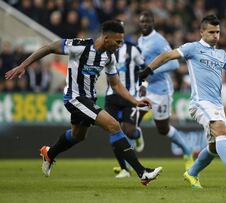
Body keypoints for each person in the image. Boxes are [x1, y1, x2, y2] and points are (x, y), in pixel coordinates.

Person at [5, 20, 162, 186]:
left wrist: (135, 101)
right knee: (114, 125)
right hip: (75, 98)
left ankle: (50, 153)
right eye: (118, 41)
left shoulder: (109, 57)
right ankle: (142, 172)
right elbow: (49, 47)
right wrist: (23, 65)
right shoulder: (81, 46)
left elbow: (116, 84)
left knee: (78, 135)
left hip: (89, 99)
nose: (119, 45)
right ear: (106, 37)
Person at [138, 14, 226, 189]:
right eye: (211, 31)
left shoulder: (222, 54)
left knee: (213, 147)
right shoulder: (193, 48)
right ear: (202, 31)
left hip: (216, 104)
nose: (215, 35)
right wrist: (148, 70)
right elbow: (168, 55)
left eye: (218, 32)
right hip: (200, 102)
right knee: (221, 130)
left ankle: (191, 174)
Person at [137, 11, 194, 170]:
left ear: (153, 23)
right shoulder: (140, 40)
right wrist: (142, 82)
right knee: (134, 118)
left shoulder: (158, 40)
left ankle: (187, 150)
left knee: (163, 128)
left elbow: (174, 64)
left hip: (161, 90)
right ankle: (128, 162)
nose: (145, 24)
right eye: (142, 21)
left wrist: (152, 71)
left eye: (148, 21)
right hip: (146, 89)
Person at [105, 36, 148, 179]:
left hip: (129, 96)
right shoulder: (105, 51)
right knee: (113, 130)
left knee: (128, 131)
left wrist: (143, 85)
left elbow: (144, 69)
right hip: (111, 96)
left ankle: (137, 134)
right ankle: (124, 169)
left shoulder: (133, 50)